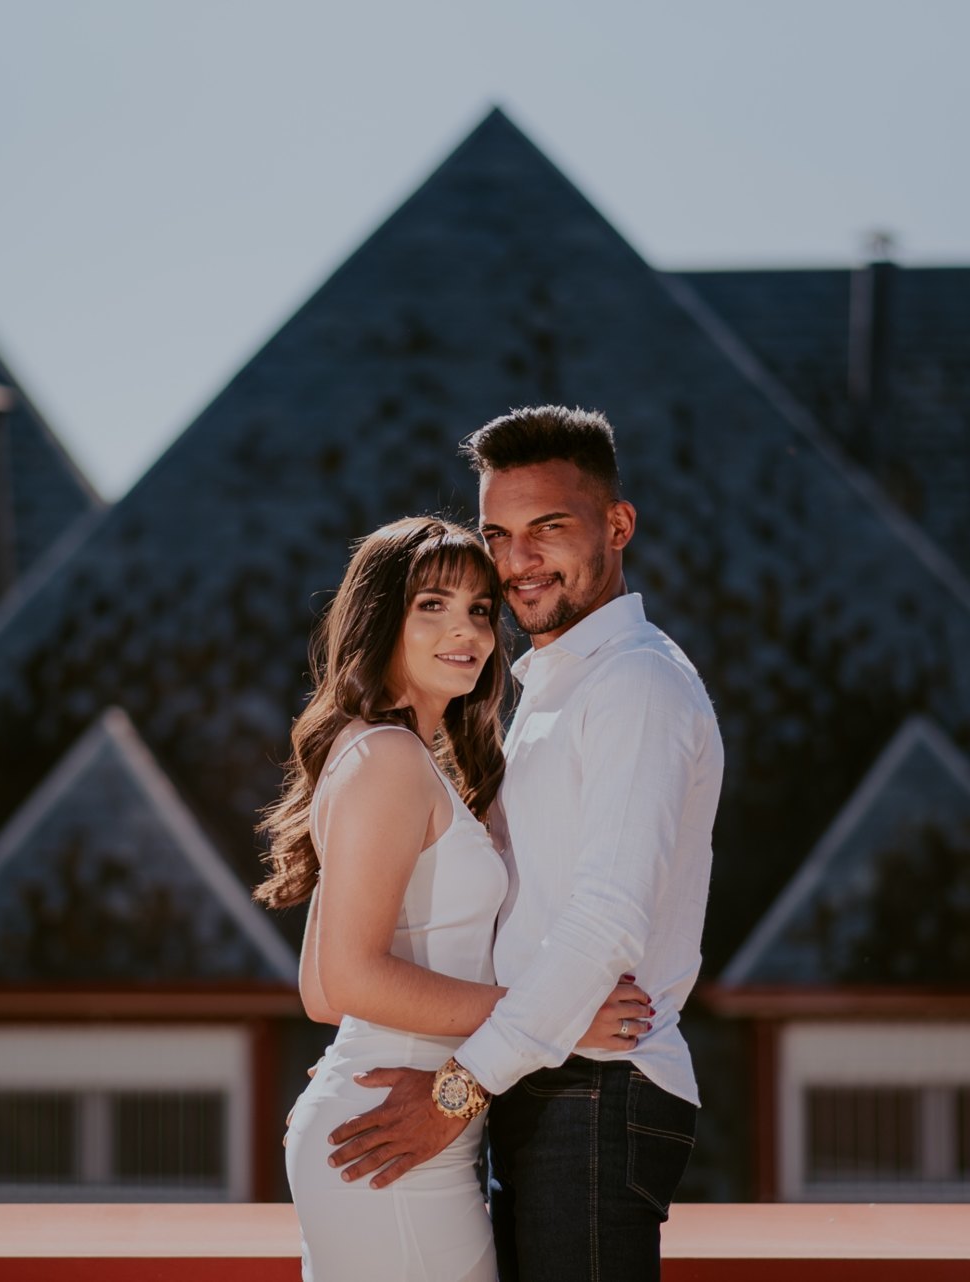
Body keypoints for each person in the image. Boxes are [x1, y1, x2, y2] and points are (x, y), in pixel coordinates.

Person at [323, 408, 725, 1282]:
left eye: (549, 528)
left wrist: (454, 1090)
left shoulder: (635, 684)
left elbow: (605, 921)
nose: (518, 560)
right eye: (499, 535)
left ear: (617, 525)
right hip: (540, 1077)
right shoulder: (548, 689)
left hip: (598, 1087)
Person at [258, 515, 653, 1282]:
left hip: (392, 1126)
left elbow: (319, 992)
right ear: (381, 620)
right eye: (432, 605)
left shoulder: (385, 753)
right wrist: (553, 1017)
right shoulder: (387, 759)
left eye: (479, 608)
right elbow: (348, 980)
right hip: (388, 1141)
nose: (466, 630)